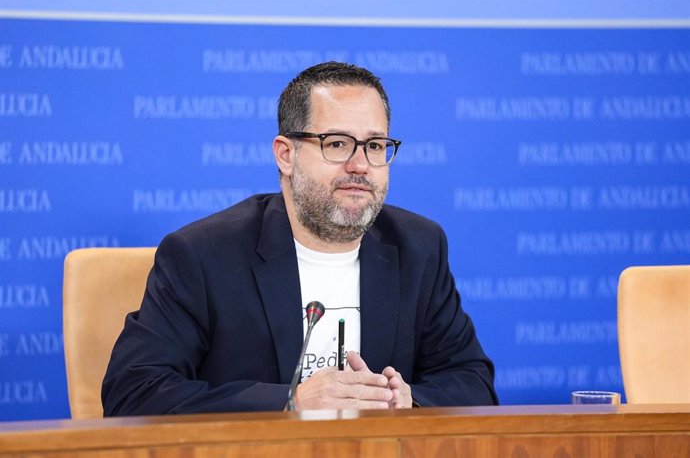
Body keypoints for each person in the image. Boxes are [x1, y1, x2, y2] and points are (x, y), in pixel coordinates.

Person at [102, 61, 497, 415]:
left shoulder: (419, 247)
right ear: (285, 155)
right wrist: (289, 402)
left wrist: (410, 400)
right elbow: (133, 392)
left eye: (375, 146)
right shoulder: (202, 255)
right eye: (337, 144)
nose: (359, 165)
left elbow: (472, 380)